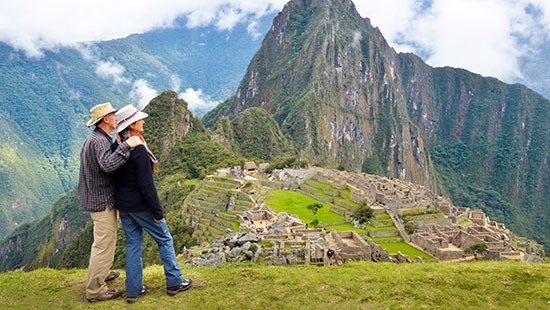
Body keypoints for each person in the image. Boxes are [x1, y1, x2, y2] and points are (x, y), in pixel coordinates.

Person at [112, 105, 192, 304]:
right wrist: (157, 211)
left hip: (124, 206)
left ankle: (133, 289)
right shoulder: (138, 150)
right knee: (164, 238)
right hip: (141, 206)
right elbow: (147, 186)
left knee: (132, 245)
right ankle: (174, 281)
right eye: (140, 119)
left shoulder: (117, 146)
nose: (144, 121)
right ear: (131, 126)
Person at [78, 102, 143, 302]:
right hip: (101, 200)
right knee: (103, 245)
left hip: (96, 197)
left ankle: (102, 272)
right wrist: (127, 145)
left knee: (105, 242)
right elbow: (107, 165)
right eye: (113, 115)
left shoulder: (98, 138)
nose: (116, 118)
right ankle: (96, 290)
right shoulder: (98, 141)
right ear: (105, 119)